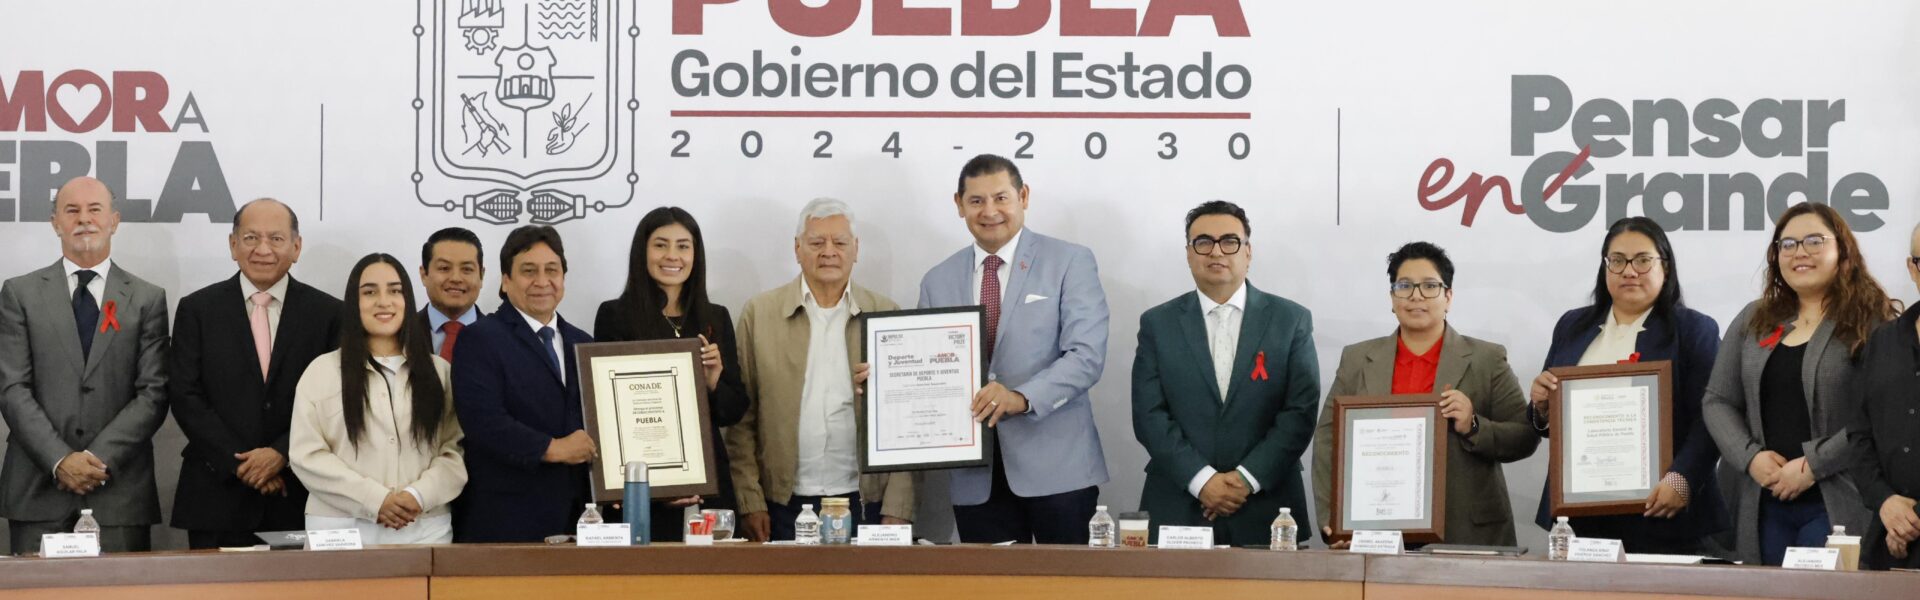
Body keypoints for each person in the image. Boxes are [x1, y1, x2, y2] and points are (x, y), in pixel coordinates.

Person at [914, 154, 1109, 544]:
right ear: (959, 205)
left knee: (1068, 579)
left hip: (1059, 469)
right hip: (975, 475)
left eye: (1001, 198)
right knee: (990, 578)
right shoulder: (937, 280)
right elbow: (925, 368)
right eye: (976, 201)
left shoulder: (1069, 261)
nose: (990, 211)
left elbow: (1086, 356)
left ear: (1023, 197)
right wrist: (884, 385)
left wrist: (1021, 398)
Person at [1311, 241, 1536, 547]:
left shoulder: (1487, 359)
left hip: (1467, 534)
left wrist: (1473, 425)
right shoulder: (1357, 359)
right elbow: (1328, 440)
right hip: (1376, 530)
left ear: (1448, 297)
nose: (1416, 296)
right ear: (1392, 298)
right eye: (1404, 286)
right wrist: (1334, 522)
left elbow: (1525, 437)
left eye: (1430, 286)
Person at [1527, 217, 1728, 555]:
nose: (1629, 271)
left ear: (1665, 266)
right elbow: (1545, 420)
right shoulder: (1573, 325)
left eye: (1642, 260)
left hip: (1663, 512)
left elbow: (1711, 417)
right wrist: (1541, 406)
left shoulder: (1694, 330)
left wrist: (1682, 479)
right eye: (1617, 261)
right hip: (1581, 511)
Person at [1704, 202, 1891, 566]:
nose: (1799, 252)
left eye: (1814, 241)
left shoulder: (1870, 321)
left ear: (1842, 251)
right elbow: (1717, 400)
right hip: (1762, 500)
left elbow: (1879, 414)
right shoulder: (1754, 318)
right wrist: (1750, 457)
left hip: (1839, 499)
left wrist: (1813, 465)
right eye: (1787, 244)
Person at [1132, 201, 1319, 546]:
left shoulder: (1290, 320)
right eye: (1203, 242)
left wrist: (1245, 480)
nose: (1216, 251)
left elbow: (1300, 411)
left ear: (1248, 252)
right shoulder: (1158, 324)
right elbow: (1148, 415)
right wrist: (1202, 481)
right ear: (1189, 253)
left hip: (1268, 508)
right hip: (1179, 504)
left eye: (1229, 241)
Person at [0, 176, 169, 553]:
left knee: (122, 586)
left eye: (95, 210)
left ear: (114, 221)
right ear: (55, 223)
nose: (84, 219)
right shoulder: (19, 293)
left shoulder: (147, 298)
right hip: (38, 489)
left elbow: (154, 393)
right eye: (72, 210)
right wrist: (59, 459)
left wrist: (96, 459)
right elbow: (12, 388)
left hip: (119, 491)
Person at [729, 198, 913, 542]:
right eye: (816, 242)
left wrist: (898, 505)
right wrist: (749, 500)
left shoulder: (886, 313)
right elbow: (741, 421)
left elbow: (907, 421)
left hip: (866, 503)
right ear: (797, 249)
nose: (829, 252)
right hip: (780, 504)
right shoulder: (760, 314)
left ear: (856, 249)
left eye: (840, 242)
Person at [169, 198, 342, 549]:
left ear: (296, 247)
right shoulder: (197, 309)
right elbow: (185, 396)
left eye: (276, 239)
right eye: (250, 238)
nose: (263, 249)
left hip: (297, 493)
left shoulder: (329, 314)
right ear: (233, 245)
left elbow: (335, 401)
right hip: (216, 494)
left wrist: (281, 453)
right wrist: (241, 464)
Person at [594, 207, 748, 542]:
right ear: (643, 252)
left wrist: (713, 382)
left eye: (683, 246)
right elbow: (607, 412)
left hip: (708, 486)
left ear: (696, 254)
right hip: (639, 488)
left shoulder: (716, 317)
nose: (672, 256)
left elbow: (733, 411)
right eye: (660, 245)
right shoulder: (615, 315)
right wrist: (659, 488)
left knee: (714, 574)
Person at [289, 254, 466, 544]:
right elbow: (306, 455)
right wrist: (374, 500)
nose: (384, 302)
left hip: (423, 527)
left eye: (395, 291)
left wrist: (418, 495)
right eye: (370, 292)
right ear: (353, 302)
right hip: (340, 531)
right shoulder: (322, 371)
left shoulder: (439, 372)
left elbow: (454, 451)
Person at [451, 225, 596, 542]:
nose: (542, 281)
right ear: (506, 281)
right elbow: (483, 422)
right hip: (506, 522)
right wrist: (553, 449)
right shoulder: (480, 339)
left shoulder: (584, 343)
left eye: (552, 270)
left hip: (579, 520)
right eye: (529, 271)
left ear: (563, 278)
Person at [1852, 222, 1920, 569]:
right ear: (1912, 268)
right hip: (1886, 540)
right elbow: (1859, 433)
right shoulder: (1883, 340)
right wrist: (1886, 502)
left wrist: (1910, 519)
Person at [418, 227, 487, 362]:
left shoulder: (505, 338)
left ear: (481, 276)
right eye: (444, 268)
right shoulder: (400, 334)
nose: (456, 278)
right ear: (424, 275)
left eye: (467, 269)